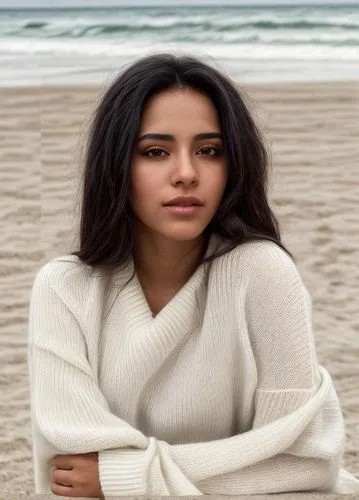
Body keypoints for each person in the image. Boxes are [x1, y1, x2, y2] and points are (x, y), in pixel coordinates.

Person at [28, 53, 359, 498]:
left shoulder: (262, 272)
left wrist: (123, 478)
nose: (186, 174)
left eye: (209, 151)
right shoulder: (64, 288)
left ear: (234, 163)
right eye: (155, 152)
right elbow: (70, 470)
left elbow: (308, 463)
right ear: (116, 165)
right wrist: (244, 464)